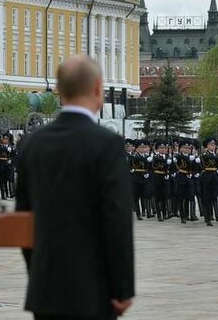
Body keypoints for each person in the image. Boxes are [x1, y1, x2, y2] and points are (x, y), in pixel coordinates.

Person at [15, 55, 134, 319]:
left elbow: (23, 220)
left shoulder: (32, 143)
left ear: (59, 91)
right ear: (97, 89)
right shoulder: (107, 144)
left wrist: (39, 273)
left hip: (44, 289)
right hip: (93, 289)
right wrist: (123, 287)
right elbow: (116, 220)